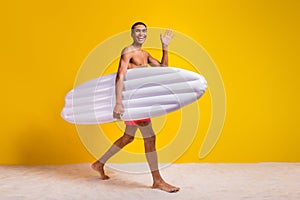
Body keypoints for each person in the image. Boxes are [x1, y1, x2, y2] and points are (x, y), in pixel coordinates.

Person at [91, 22, 179, 193]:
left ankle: (98, 164)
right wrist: (118, 103)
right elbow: (120, 76)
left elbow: (163, 70)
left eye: (144, 31)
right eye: (138, 31)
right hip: (132, 102)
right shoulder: (128, 52)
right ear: (132, 33)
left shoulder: (145, 54)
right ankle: (158, 181)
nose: (141, 33)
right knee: (150, 138)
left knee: (127, 138)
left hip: (141, 102)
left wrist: (165, 46)